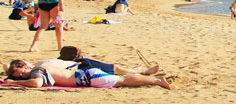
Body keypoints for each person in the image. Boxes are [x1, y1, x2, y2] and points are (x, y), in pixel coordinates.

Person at [3, 58, 169, 90]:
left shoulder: (37, 71)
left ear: (25, 66)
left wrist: (12, 83)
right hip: (85, 75)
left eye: (23, 71)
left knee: (122, 80)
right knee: (121, 79)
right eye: (20, 75)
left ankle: (156, 81)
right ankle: (154, 79)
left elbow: (36, 84)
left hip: (85, 77)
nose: (24, 75)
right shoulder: (37, 69)